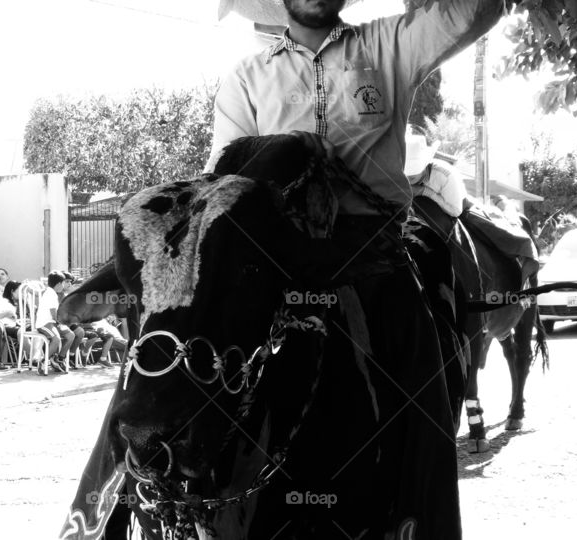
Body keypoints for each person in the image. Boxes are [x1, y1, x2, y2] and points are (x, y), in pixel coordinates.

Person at [202, 2, 503, 537]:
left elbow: (475, 11)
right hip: (278, 272)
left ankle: (424, 523)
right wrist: (291, 158)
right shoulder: (246, 78)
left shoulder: (391, 45)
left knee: (427, 389)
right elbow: (226, 186)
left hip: (375, 263)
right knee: (174, 370)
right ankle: (157, 504)